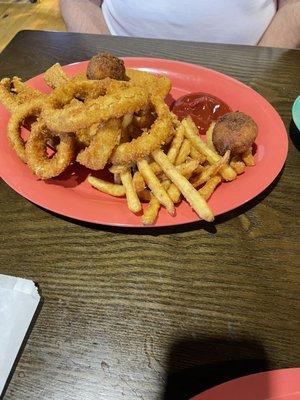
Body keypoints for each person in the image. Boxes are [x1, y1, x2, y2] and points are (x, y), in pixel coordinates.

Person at [60, 0, 300, 48]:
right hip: (121, 67)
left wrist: (257, 69)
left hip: (249, 71)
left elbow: (293, 6)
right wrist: (108, 62)